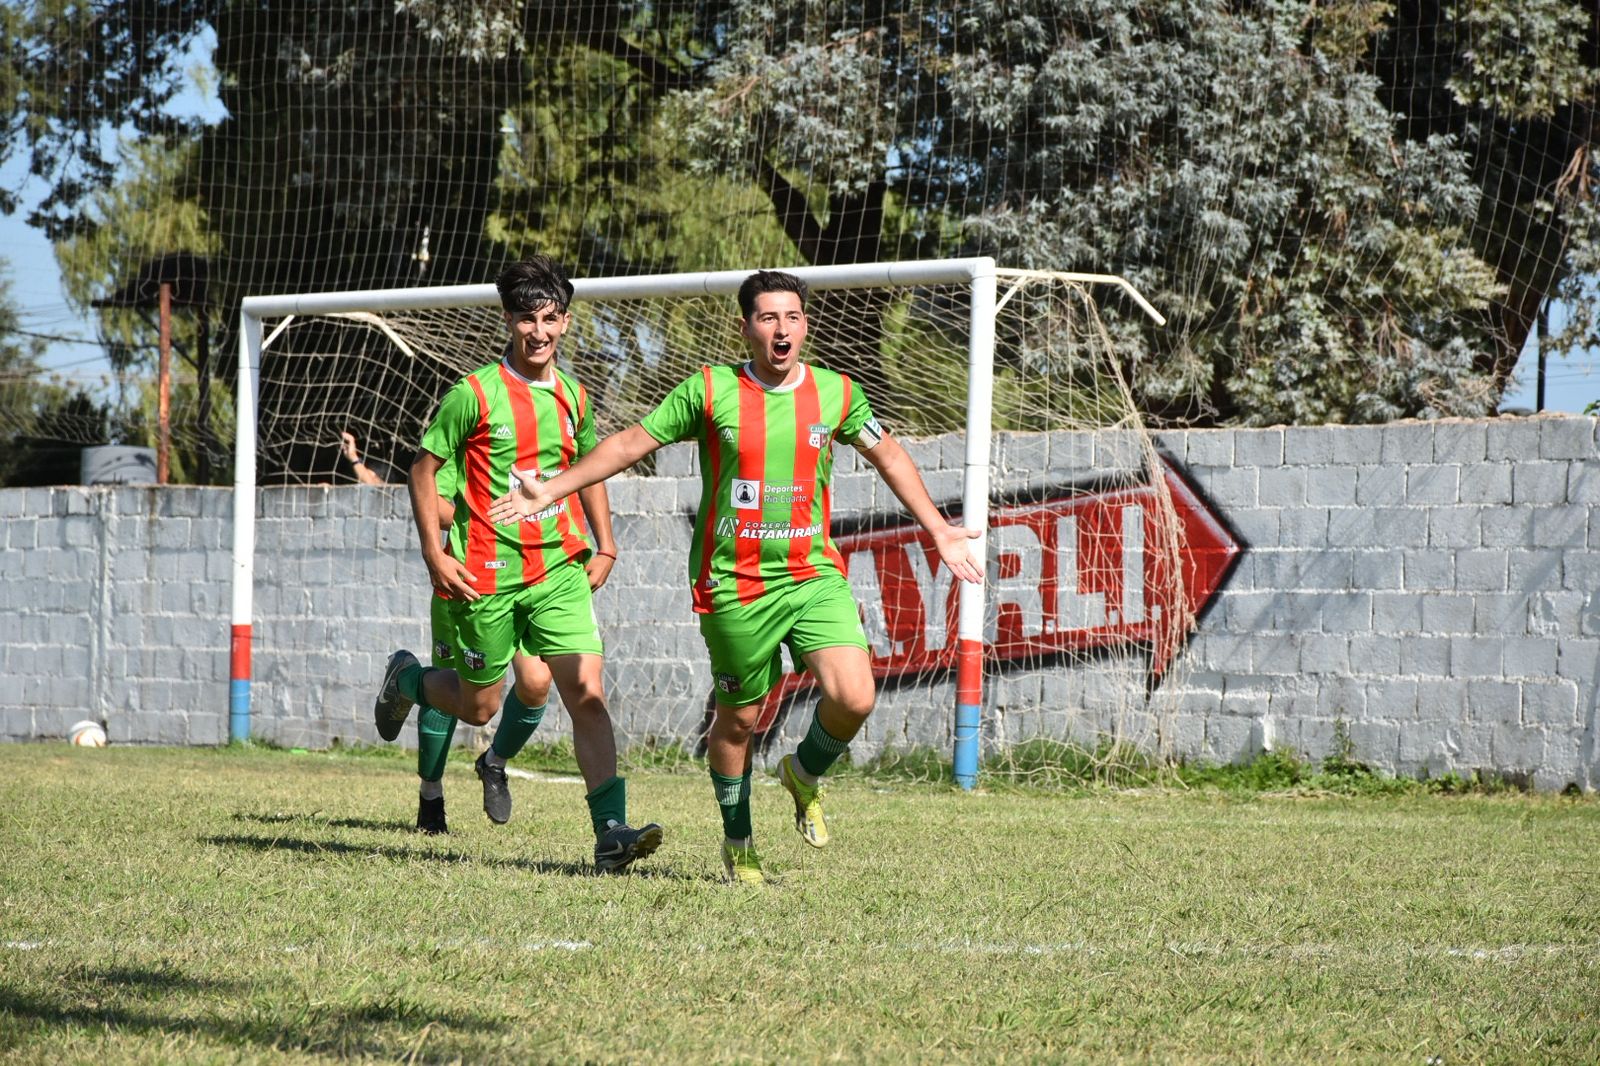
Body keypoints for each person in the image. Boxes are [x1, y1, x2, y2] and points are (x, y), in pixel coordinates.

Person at [488, 269, 981, 884]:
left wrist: (938, 528)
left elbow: (889, 454)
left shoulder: (836, 393)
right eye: (769, 317)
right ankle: (739, 843)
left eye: (792, 317)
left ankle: (804, 772)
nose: (782, 329)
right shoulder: (710, 390)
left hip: (811, 574)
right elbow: (630, 444)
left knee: (855, 696)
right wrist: (552, 490)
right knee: (740, 722)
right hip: (734, 584)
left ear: (805, 325)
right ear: (746, 327)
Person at [373, 254, 663, 873]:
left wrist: (606, 543)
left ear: (565, 322)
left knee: (586, 693)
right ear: (508, 320)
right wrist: (433, 552)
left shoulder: (574, 396)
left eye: (551, 318)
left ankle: (610, 833)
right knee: (480, 706)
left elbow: (592, 468)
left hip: (558, 569)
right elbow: (422, 469)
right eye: (527, 318)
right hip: (486, 574)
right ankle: (409, 681)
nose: (539, 331)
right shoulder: (473, 394)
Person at [413, 450, 557, 835]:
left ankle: (493, 763)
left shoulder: (545, 439)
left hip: (531, 583)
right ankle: (431, 795)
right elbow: (430, 498)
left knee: (537, 682)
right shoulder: (465, 441)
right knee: (453, 692)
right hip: (469, 586)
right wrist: (485, 514)